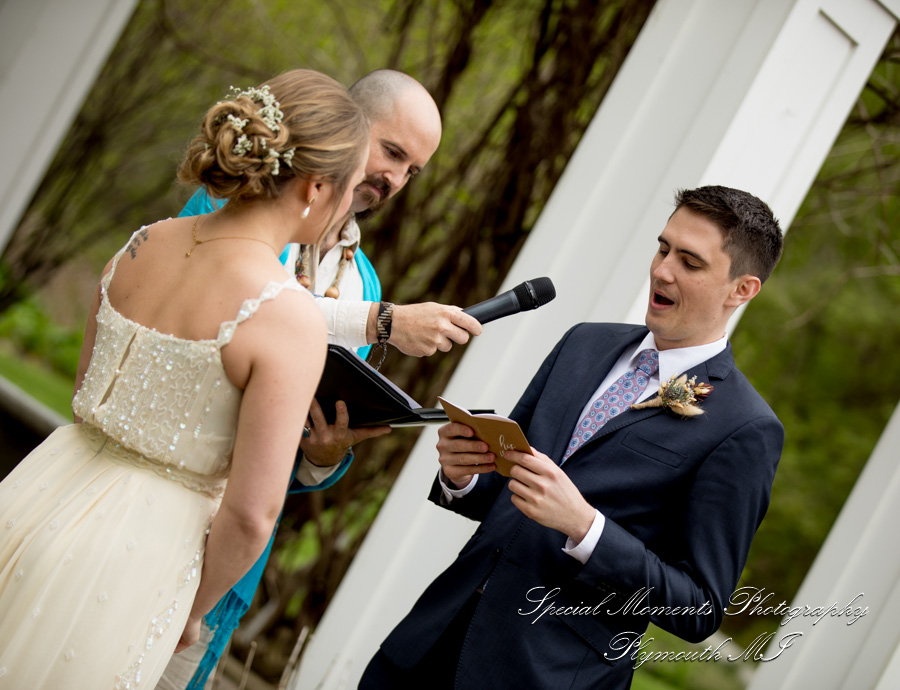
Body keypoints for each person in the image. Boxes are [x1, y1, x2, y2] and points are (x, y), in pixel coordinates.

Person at [0, 68, 368, 688]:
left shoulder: (143, 244)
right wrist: (193, 615)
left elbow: (86, 391)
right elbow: (253, 514)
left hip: (33, 495)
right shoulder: (287, 318)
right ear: (313, 187)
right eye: (350, 189)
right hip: (133, 561)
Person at [360, 185, 786, 690]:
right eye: (663, 247)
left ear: (742, 290)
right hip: (428, 645)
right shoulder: (584, 343)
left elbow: (698, 608)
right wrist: (463, 477)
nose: (662, 270)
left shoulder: (745, 428)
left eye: (690, 263)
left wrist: (586, 529)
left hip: (547, 675)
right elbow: (508, 497)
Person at [158, 70, 483, 690]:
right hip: (161, 501)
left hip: (236, 556)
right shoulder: (234, 199)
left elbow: (296, 437)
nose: (394, 180)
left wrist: (323, 455)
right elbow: (212, 306)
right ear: (346, 124)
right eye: (391, 152)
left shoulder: (365, 282)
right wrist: (379, 323)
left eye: (412, 170)